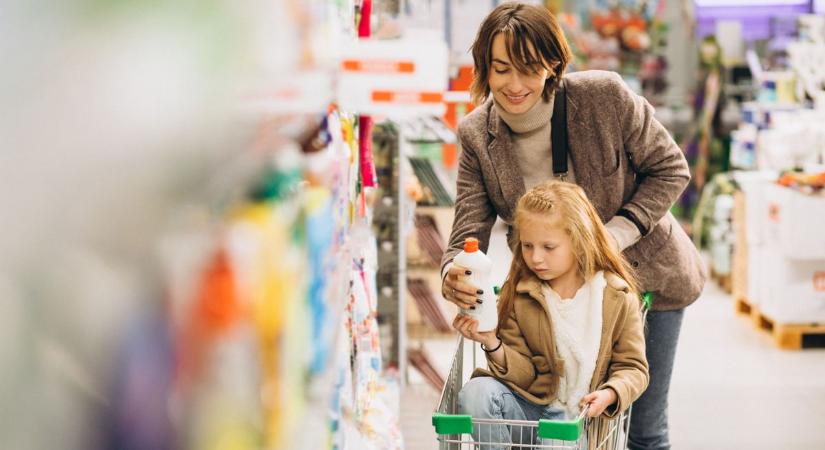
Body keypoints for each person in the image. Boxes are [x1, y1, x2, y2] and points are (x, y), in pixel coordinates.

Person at [440, 3, 706, 449]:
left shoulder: (603, 97)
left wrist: (609, 238)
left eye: (529, 68)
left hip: (643, 279)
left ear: (554, 64)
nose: (514, 85)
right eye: (500, 69)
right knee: (557, 411)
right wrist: (454, 274)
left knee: (642, 427)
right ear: (484, 68)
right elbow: (467, 229)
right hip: (552, 294)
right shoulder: (476, 135)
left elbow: (671, 169)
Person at [454, 181, 648, 449]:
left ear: (578, 241)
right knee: (476, 393)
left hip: (575, 422)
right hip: (527, 409)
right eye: (527, 245)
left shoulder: (615, 297)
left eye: (548, 247)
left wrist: (610, 392)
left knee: (557, 439)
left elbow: (633, 368)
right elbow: (526, 375)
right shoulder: (522, 294)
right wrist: (492, 342)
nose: (535, 258)